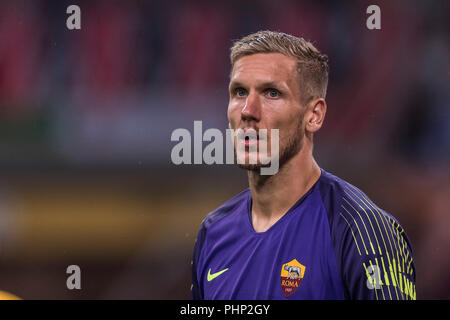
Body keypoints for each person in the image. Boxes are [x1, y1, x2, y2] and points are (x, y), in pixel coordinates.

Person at [191, 30, 416, 300]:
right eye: (239, 92)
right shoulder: (213, 232)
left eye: (271, 93)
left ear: (314, 116)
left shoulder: (361, 230)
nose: (248, 110)